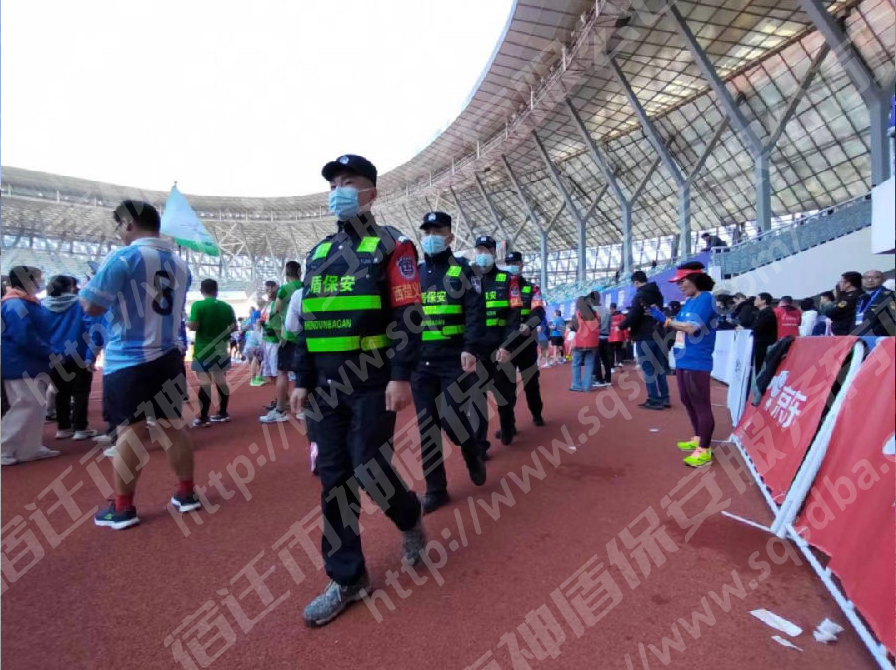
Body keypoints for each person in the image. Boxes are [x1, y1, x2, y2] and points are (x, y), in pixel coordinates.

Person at [289, 154, 426, 625]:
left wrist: (400, 374)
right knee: (334, 478)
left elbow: (409, 314)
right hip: (325, 387)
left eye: (348, 183)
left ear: (372, 192)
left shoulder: (394, 245)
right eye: (333, 185)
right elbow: (307, 323)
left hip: (371, 379)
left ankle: (408, 517)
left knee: (369, 467)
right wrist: (300, 379)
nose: (338, 192)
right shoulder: (319, 254)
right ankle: (348, 578)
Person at [80, 200, 200, 530]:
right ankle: (186, 493)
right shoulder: (181, 264)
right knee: (172, 426)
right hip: (169, 357)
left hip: (128, 359)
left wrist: (88, 288)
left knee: (129, 432)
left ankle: (123, 508)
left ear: (129, 224)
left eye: (120, 225)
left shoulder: (124, 257)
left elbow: (91, 305)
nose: (119, 232)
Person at [412, 211, 487, 514]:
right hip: (421, 362)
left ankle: (471, 450)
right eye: (427, 231)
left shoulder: (465, 271)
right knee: (427, 427)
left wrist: (471, 348)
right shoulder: (415, 273)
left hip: (454, 359)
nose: (431, 236)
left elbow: (476, 311)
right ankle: (436, 489)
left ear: (450, 237)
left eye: (438, 231)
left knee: (452, 419)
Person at [649, 261, 719, 467]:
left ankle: (704, 450)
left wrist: (667, 321)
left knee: (701, 403)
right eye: (677, 282)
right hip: (683, 358)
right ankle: (698, 437)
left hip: (697, 360)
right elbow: (678, 326)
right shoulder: (689, 302)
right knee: (687, 400)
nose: (679, 286)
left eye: (682, 281)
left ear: (695, 279)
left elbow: (691, 328)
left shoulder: (706, 299)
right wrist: (664, 319)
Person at [1, 266, 60, 465]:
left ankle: (29, 448)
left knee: (35, 405)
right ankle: (4, 447)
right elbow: (24, 337)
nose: (40, 282)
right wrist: (49, 352)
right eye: (37, 278)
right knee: (26, 404)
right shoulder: (16, 304)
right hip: (20, 363)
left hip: (28, 363)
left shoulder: (25, 303)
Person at [469, 235, 521, 449]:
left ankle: (507, 427)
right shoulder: (469, 280)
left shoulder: (508, 279)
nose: (482, 254)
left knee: (504, 395)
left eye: (487, 250)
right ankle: (480, 444)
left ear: (494, 253)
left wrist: (507, 346)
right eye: (479, 250)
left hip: (500, 349)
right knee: (476, 397)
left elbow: (514, 316)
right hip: (477, 350)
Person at [41, 274, 102, 440]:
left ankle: (63, 427)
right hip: (79, 353)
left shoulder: (42, 306)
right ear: (71, 287)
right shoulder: (81, 303)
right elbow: (91, 329)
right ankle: (80, 427)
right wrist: (91, 356)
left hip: (54, 355)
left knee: (61, 392)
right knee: (81, 392)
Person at [187, 278, 237, 426]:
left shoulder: (198, 305)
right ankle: (223, 413)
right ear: (216, 290)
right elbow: (234, 327)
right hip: (221, 349)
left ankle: (204, 417)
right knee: (221, 380)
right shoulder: (227, 307)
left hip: (203, 349)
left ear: (201, 291)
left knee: (205, 382)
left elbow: (194, 326)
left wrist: (187, 322)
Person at [503, 251, 545, 428]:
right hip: (507, 344)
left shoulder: (532, 288)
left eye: (515, 263)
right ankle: (508, 425)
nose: (512, 266)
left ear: (522, 265)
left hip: (527, 342)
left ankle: (537, 414)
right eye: (509, 263)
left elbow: (538, 311)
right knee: (506, 385)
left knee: (531, 382)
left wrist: (529, 325)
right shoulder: (500, 288)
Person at [619, 270, 669, 410]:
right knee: (659, 367)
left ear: (636, 282)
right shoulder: (658, 294)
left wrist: (621, 326)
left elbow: (634, 316)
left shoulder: (639, 296)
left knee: (648, 369)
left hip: (644, 335)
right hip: (659, 333)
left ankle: (654, 399)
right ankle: (665, 397)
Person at [260, 261, 303, 423]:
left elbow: (276, 309)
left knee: (282, 372)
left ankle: (280, 410)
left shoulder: (284, 289)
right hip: (305, 334)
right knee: (302, 371)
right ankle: (302, 409)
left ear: (286, 274)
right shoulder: (306, 286)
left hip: (288, 336)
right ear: (299, 272)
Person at [568, 295, 600, 392]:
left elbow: (573, 328)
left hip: (580, 341)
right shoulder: (596, 314)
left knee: (576, 363)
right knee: (589, 364)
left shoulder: (577, 314)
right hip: (593, 342)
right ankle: (587, 386)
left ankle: (576, 385)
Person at [856, 269, 896, 336]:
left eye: (876, 277)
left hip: (880, 336)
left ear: (883, 279)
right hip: (861, 336)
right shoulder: (861, 298)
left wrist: (874, 330)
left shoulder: (889, 295)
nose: (870, 280)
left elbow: (893, 318)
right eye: (866, 277)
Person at [827, 271, 863, 336]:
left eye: (841, 282)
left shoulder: (850, 298)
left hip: (845, 331)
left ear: (848, 284)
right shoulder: (857, 294)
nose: (839, 284)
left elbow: (833, 313)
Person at [259, 280, 280, 388]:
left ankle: (281, 395)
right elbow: (264, 320)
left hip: (275, 340)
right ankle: (279, 395)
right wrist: (261, 323)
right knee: (270, 372)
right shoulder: (267, 305)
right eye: (266, 289)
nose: (267, 291)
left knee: (276, 371)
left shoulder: (278, 303)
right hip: (266, 339)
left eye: (268, 289)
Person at [589, 291, 612, 388]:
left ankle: (599, 379)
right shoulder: (607, 310)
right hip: (605, 336)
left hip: (596, 337)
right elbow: (610, 324)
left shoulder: (592, 310)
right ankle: (608, 379)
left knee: (596, 359)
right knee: (606, 359)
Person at [752, 292, 778, 372]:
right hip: (762, 343)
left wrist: (747, 328)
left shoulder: (766, 313)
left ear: (763, 301)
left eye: (757, 299)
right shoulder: (763, 312)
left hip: (764, 344)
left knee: (760, 366)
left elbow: (758, 328)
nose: (754, 301)